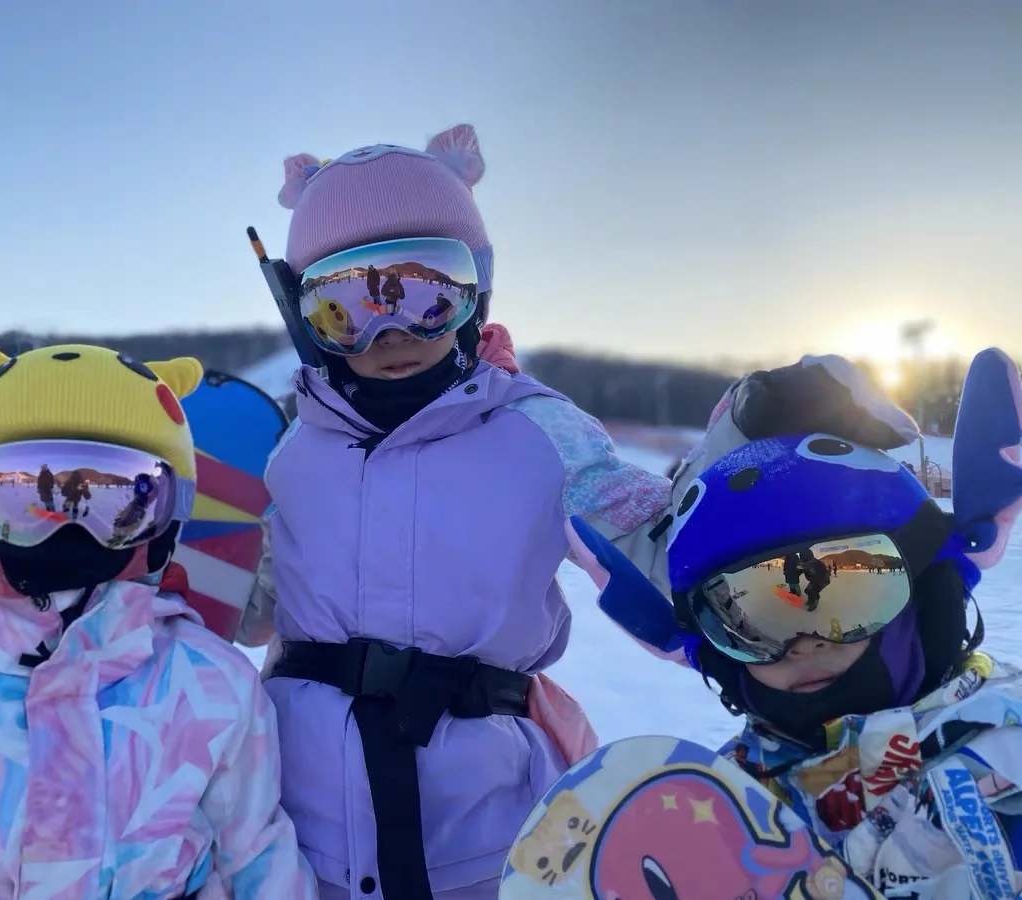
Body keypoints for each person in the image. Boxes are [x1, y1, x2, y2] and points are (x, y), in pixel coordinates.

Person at [236, 123, 916, 900]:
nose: (389, 330)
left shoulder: (538, 431)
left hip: (489, 838)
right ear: (301, 311)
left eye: (425, 293)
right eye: (344, 307)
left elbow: (667, 557)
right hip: (294, 834)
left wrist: (752, 447)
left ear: (475, 292)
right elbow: (248, 604)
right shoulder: (293, 450)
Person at [0, 331, 317, 899]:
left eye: (118, 502)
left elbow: (259, 865)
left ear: (169, 518)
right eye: (21, 497)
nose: (69, 528)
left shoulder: (212, 689)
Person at [567, 347, 1022, 895]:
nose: (801, 646)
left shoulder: (1006, 755)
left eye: (845, 597)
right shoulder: (717, 801)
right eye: (752, 620)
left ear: (924, 596)